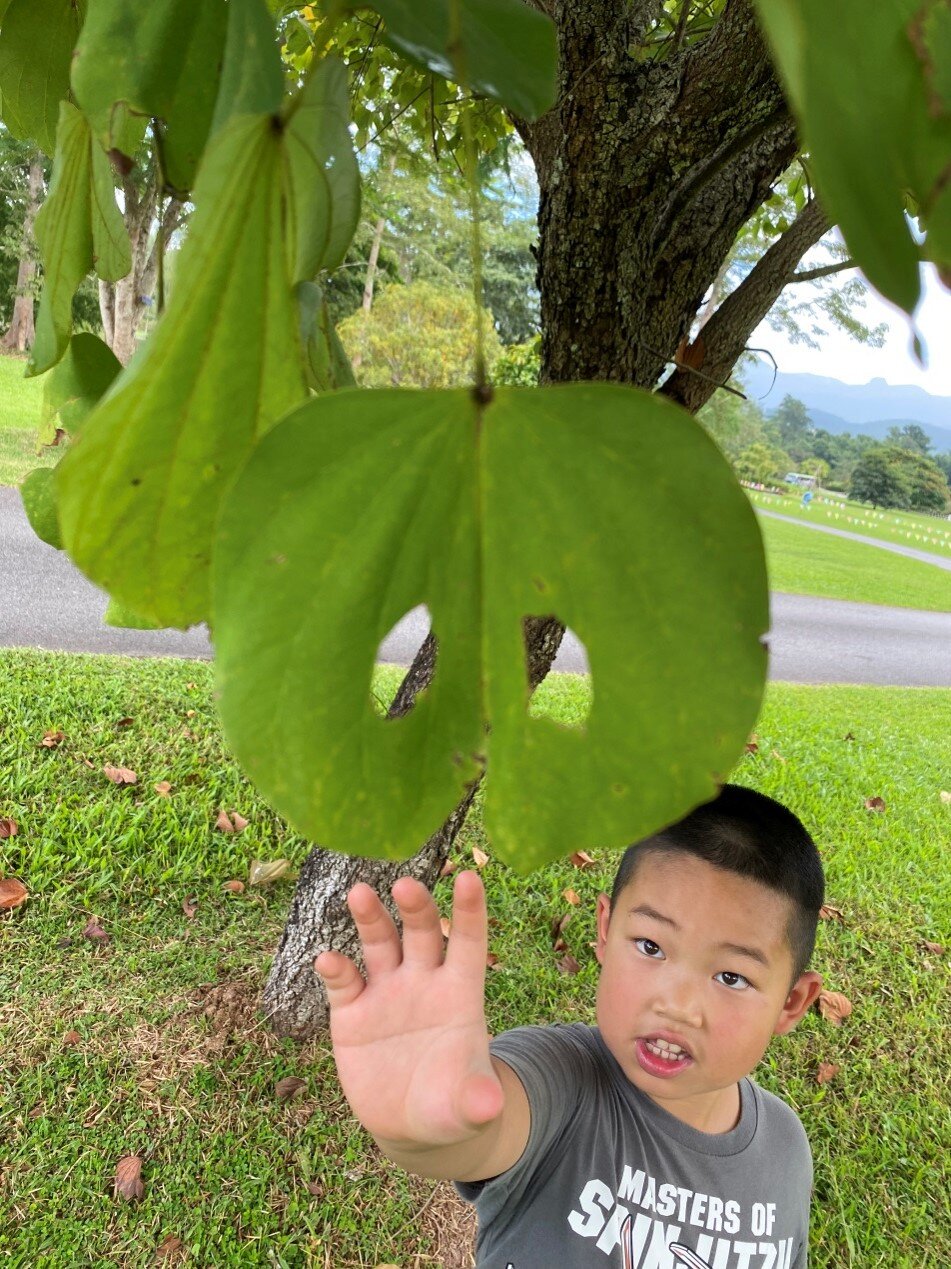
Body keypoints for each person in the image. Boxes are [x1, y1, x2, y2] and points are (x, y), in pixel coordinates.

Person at [316, 784, 825, 1268]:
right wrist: (418, 1132)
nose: (678, 1006)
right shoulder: (560, 1079)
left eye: (732, 976)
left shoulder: (786, 1149)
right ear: (605, 929)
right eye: (650, 946)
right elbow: (485, 1133)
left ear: (792, 1002)